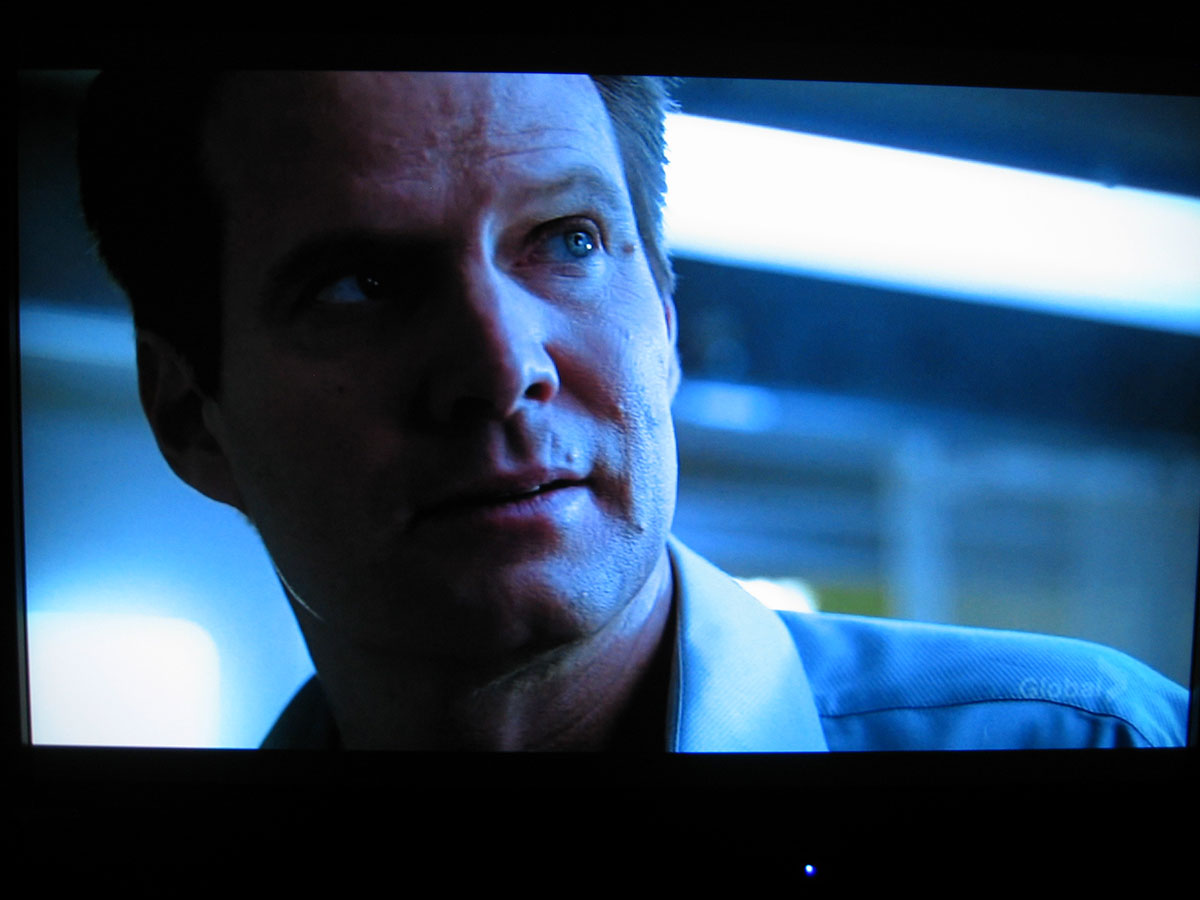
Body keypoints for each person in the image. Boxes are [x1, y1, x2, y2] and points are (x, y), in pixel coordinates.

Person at [76, 70, 1188, 751]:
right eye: (359, 285)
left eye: (567, 241)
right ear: (190, 416)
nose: (501, 368)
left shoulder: (1094, 747)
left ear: (663, 320)